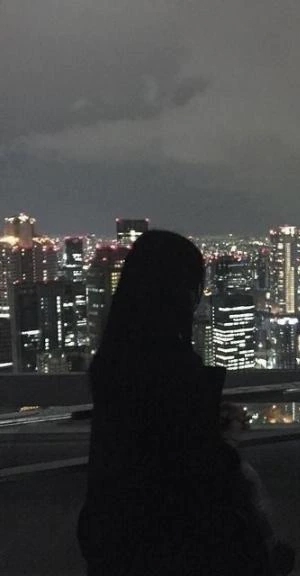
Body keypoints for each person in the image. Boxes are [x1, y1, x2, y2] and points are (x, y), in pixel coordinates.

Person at [77, 230, 271, 576]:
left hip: (115, 538)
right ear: (179, 294)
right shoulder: (173, 367)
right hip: (169, 544)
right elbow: (193, 468)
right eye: (194, 287)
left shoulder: (113, 363)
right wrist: (227, 437)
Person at [220, 403, 295, 576]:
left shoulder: (225, 461)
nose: (244, 427)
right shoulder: (236, 465)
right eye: (240, 421)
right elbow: (255, 508)